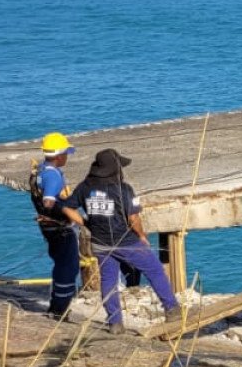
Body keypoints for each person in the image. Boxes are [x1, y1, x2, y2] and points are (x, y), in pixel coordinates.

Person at [58, 149, 180, 329]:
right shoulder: (124, 189)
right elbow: (134, 219)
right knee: (154, 270)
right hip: (126, 241)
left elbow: (66, 207)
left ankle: (115, 323)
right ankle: (172, 309)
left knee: (108, 280)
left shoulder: (85, 187)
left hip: (100, 243)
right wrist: (141, 235)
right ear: (115, 169)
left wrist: (84, 222)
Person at [28, 131, 81, 316]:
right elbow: (49, 202)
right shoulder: (53, 176)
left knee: (61, 262)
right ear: (59, 156)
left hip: (48, 227)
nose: (67, 156)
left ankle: (57, 304)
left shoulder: (41, 170)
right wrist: (71, 214)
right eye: (66, 153)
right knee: (69, 266)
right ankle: (59, 308)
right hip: (59, 228)